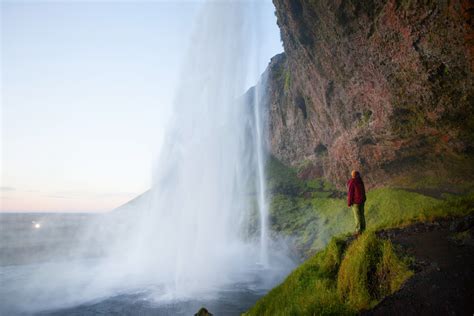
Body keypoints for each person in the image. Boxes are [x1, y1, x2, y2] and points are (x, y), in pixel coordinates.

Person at [347, 170, 366, 235]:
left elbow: (350, 193)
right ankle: (363, 229)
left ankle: (358, 231)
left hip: (356, 202)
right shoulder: (360, 181)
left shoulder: (352, 182)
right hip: (362, 201)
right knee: (362, 215)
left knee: (357, 216)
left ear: (353, 175)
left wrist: (349, 203)